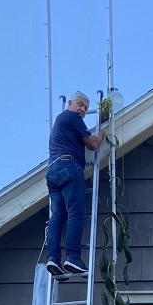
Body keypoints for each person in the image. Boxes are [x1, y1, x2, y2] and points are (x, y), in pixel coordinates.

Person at [45, 91, 105, 275]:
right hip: (69, 167)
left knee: (57, 217)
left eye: (86, 108)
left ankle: (53, 259)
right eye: (80, 104)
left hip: (53, 171)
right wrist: (102, 131)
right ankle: (73, 258)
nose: (83, 110)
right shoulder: (71, 117)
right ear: (70, 103)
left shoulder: (62, 121)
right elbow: (93, 144)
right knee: (76, 213)